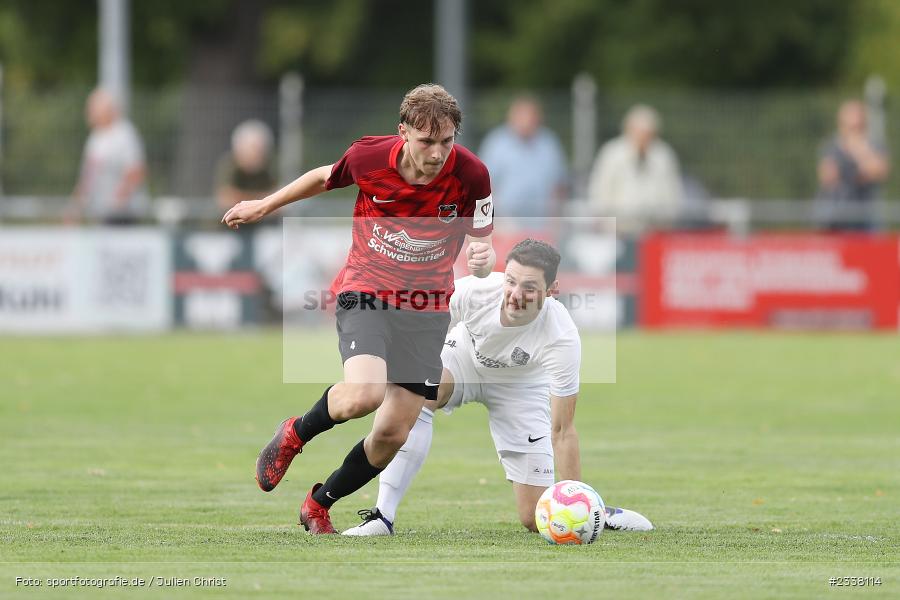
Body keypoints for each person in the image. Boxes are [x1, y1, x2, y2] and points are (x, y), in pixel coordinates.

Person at [223, 83, 496, 534]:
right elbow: (322, 176)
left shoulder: (472, 174)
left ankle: (318, 503)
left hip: (426, 308)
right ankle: (295, 433)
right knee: (363, 395)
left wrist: (483, 260)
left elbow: (482, 242)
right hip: (367, 289)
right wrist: (264, 206)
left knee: (392, 434)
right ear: (403, 132)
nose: (437, 153)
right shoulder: (370, 157)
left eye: (447, 141)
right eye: (426, 141)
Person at [341, 239, 653, 536]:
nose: (516, 294)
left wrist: (576, 502)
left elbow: (563, 430)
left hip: (520, 387)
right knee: (420, 393)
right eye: (511, 281)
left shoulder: (562, 337)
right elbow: (419, 329)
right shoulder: (474, 290)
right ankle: (383, 517)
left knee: (536, 518)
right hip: (464, 357)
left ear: (552, 290)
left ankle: (597, 510)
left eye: (529, 287)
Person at [587, 104, 682, 233]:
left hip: (655, 229)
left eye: (648, 134)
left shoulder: (663, 156)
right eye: (640, 132)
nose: (643, 138)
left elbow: (672, 193)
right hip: (619, 229)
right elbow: (599, 190)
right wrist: (606, 222)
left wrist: (667, 221)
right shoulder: (612, 153)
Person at [478, 95, 567, 219]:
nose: (526, 122)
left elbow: (558, 185)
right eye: (522, 116)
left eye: (530, 117)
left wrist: (554, 220)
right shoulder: (496, 144)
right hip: (504, 220)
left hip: (542, 220)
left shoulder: (549, 143)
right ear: (511, 118)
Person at [68, 88, 148, 225]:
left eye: (93, 109)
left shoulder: (125, 134)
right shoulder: (95, 138)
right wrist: (75, 209)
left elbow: (136, 171)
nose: (89, 113)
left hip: (123, 215)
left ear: (107, 110)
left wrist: (117, 201)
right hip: (103, 214)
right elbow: (88, 177)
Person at [816, 100, 890, 231]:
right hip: (836, 216)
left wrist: (858, 149)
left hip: (865, 216)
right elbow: (827, 177)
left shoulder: (874, 146)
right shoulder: (832, 147)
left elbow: (879, 171)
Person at [215, 120, 278, 212]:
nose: (256, 154)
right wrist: (262, 201)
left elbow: (279, 200)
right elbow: (226, 199)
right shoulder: (230, 165)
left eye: (260, 150)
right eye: (253, 148)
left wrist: (247, 200)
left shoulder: (269, 167)